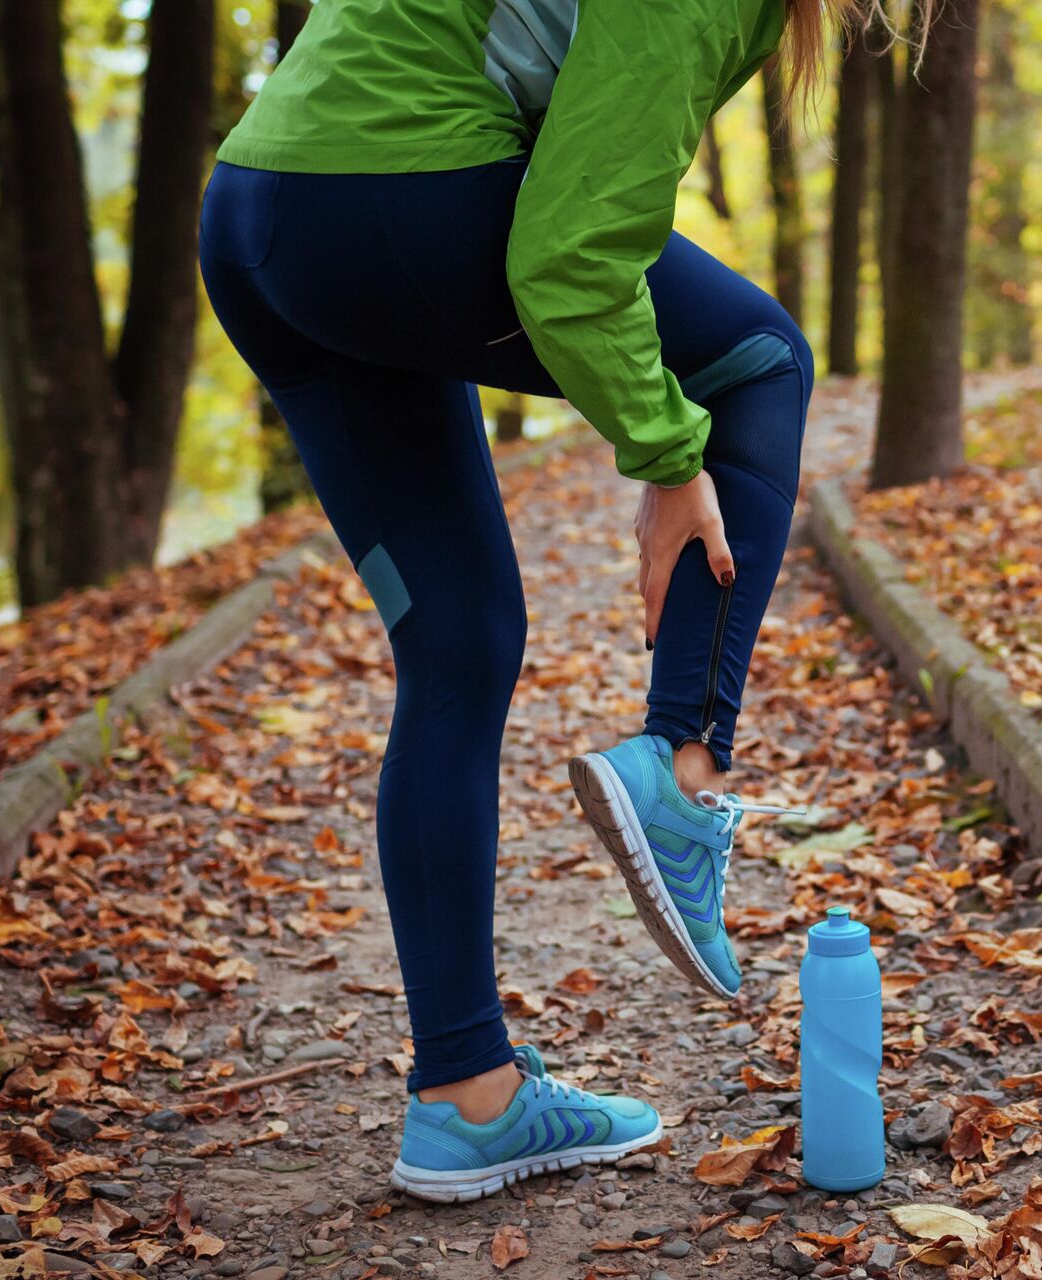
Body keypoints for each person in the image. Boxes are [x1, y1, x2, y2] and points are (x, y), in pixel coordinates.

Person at [199, 0, 885, 1204]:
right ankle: (684, 772)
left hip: (260, 213)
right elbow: (569, 254)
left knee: (459, 644)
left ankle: (465, 1099)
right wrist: (671, 457)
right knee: (759, 357)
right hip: (381, 195)